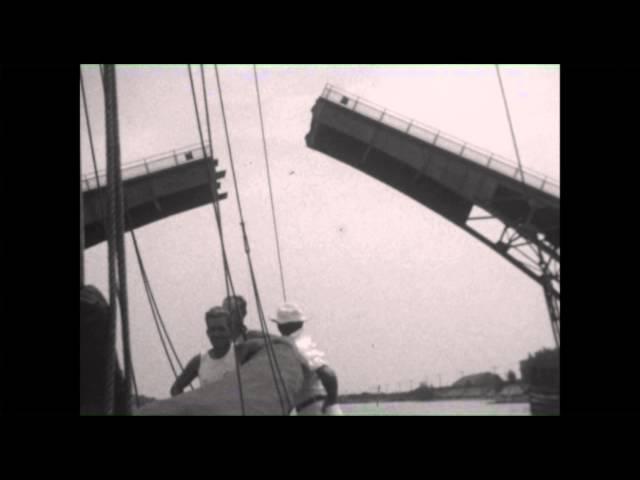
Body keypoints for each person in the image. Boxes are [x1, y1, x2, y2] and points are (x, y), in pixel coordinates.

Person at [270, 303, 343, 415]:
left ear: (281, 326)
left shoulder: (297, 346)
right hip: (316, 406)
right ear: (301, 323)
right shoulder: (302, 343)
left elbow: (328, 373)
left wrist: (332, 399)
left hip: (315, 408)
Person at [170, 306, 237, 396]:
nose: (216, 334)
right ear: (208, 333)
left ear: (230, 330)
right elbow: (175, 388)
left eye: (221, 329)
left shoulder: (241, 352)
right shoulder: (200, 361)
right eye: (213, 330)